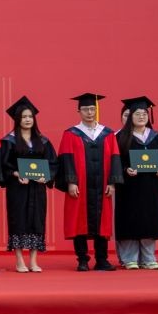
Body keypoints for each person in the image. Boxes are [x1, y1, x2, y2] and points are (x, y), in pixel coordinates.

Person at [57, 93, 118, 272]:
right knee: (79, 221)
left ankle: (102, 259)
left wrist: (112, 182)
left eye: (92, 109)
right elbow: (66, 159)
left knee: (102, 222)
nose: (90, 112)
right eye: (85, 109)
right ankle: (82, 259)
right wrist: (71, 182)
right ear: (79, 111)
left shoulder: (108, 134)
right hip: (80, 185)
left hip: (102, 185)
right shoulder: (71, 134)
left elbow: (115, 158)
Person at [111, 97, 158, 269]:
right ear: (130, 116)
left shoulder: (156, 137)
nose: (142, 116)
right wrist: (125, 170)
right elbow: (115, 161)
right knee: (129, 219)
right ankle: (129, 258)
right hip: (129, 188)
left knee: (149, 219)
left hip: (152, 186)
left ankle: (148, 258)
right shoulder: (121, 137)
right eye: (137, 114)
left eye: (144, 113)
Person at [0, 97, 54, 273]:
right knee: (18, 220)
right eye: (23, 117)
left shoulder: (43, 141)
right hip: (18, 188)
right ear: (17, 119)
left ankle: (34, 261)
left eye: (30, 116)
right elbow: (2, 165)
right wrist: (16, 173)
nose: (28, 119)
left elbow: (53, 163)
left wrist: (46, 176)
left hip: (37, 188)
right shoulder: (9, 141)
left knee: (37, 220)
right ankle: (19, 260)